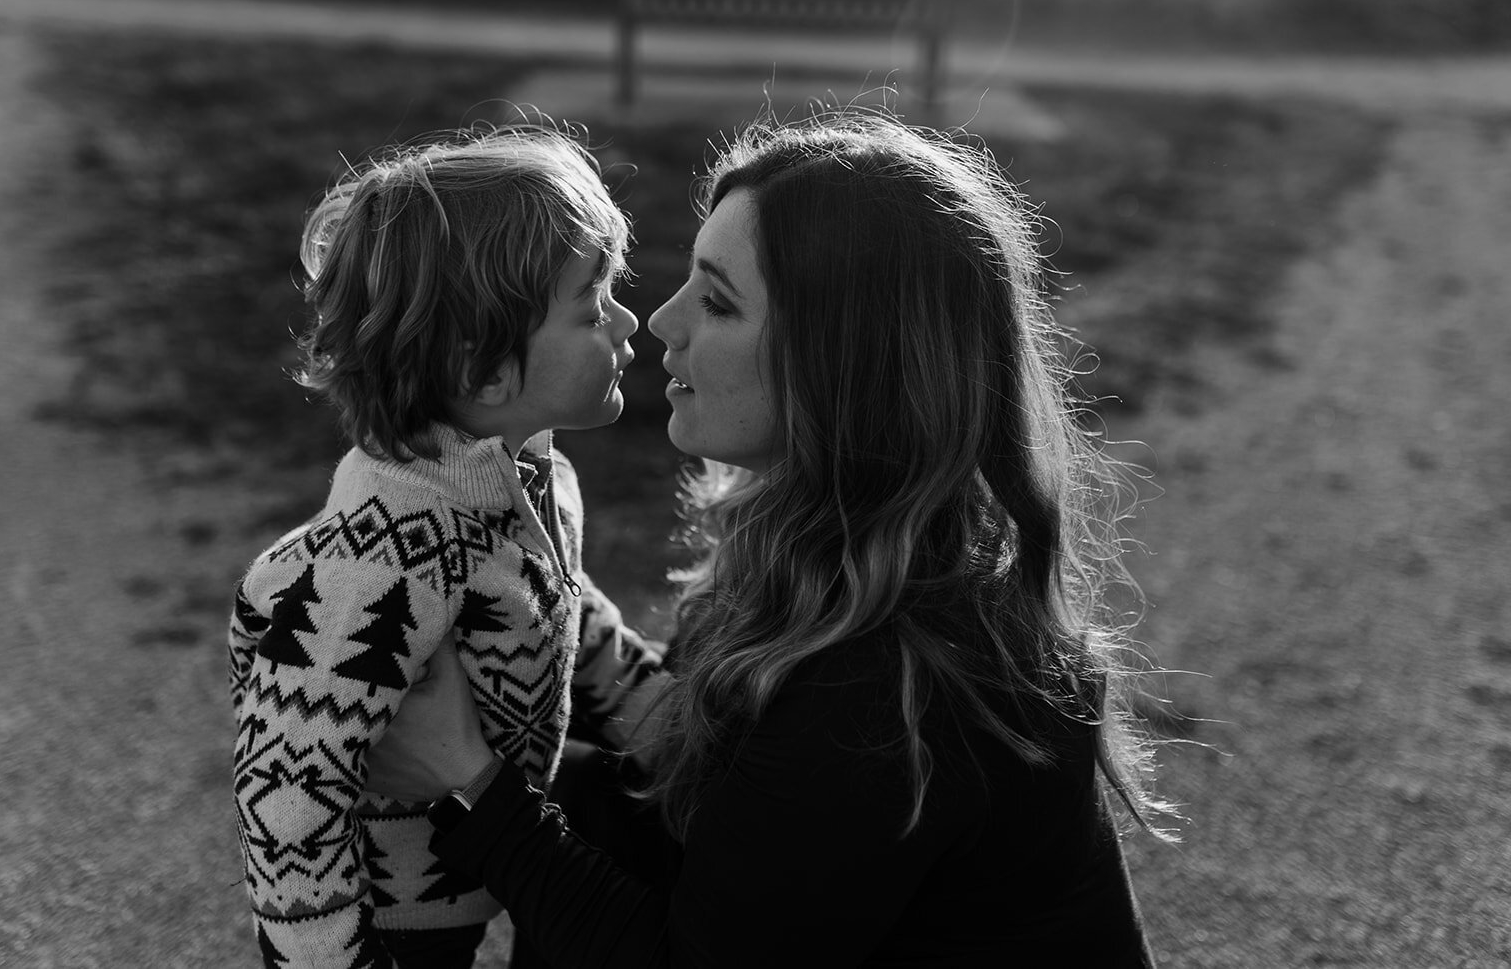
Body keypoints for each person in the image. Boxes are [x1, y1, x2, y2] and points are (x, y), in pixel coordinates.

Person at [365, 109, 1175, 967]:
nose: (662, 322)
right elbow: (696, 802)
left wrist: (471, 782)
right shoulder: (811, 547)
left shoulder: (889, 679)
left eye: (717, 300)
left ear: (843, 365)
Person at [227, 125, 666, 969]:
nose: (627, 319)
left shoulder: (530, 472)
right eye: (593, 303)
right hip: (394, 927)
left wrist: (674, 726)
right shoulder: (371, 570)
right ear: (484, 370)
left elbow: (565, 611)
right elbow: (286, 793)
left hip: (480, 868)